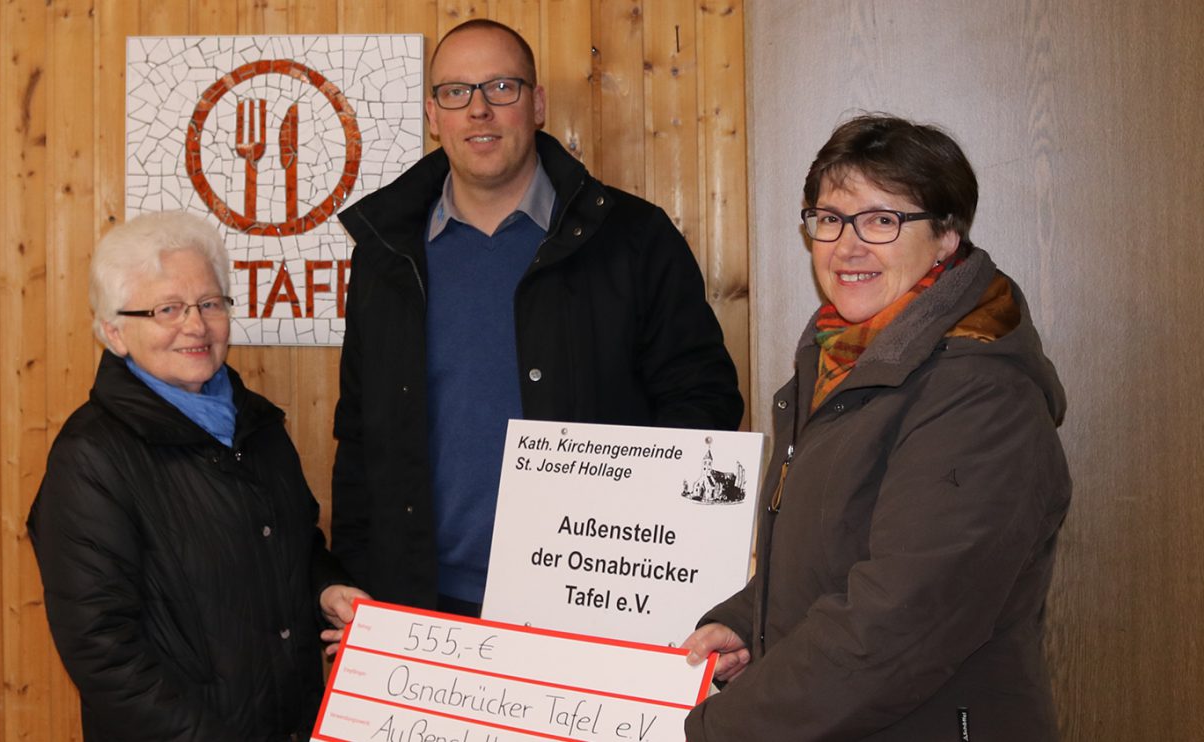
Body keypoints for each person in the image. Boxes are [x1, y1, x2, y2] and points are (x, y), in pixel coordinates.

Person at [332, 19, 743, 617]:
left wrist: (631, 552)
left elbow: (701, 404)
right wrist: (356, 575)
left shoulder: (633, 239)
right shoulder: (385, 256)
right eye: (456, 92)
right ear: (432, 114)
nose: (479, 110)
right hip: (421, 605)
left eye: (502, 87)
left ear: (538, 104)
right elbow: (360, 434)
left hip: (588, 601)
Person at [681, 115, 1071, 740]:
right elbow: (830, 550)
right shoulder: (840, 357)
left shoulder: (980, 394)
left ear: (946, 237)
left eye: (882, 219)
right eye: (830, 218)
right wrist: (746, 622)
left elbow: (898, 625)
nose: (847, 245)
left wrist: (717, 730)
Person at [27, 211, 366, 741]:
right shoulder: (89, 456)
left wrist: (326, 589)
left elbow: (293, 548)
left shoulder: (258, 425)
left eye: (210, 304)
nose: (195, 325)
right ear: (114, 333)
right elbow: (103, 652)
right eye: (168, 309)